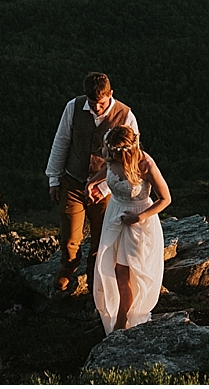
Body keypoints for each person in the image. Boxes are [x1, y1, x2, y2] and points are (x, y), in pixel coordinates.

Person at [45, 72, 138, 292]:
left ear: (111, 95)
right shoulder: (73, 107)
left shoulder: (125, 116)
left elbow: (129, 159)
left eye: (102, 103)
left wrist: (103, 187)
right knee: (69, 235)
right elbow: (61, 141)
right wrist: (54, 178)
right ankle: (67, 270)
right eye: (92, 103)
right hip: (73, 180)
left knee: (101, 237)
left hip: (107, 188)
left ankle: (95, 277)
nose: (97, 108)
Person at [87, 125, 171, 334]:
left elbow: (166, 198)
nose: (110, 154)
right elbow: (108, 167)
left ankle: (121, 323)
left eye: (115, 151)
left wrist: (139, 217)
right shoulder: (111, 155)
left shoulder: (145, 165)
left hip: (137, 222)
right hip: (114, 213)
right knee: (111, 267)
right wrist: (92, 182)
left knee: (124, 272)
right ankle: (118, 314)